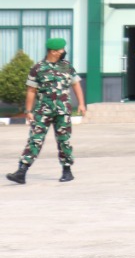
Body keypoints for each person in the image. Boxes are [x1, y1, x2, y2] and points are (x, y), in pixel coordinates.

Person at [7, 38, 86, 185]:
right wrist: (28, 110)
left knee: (64, 141)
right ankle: (21, 171)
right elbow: (31, 91)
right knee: (35, 140)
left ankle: (67, 171)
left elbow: (76, 85)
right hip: (43, 111)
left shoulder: (67, 66)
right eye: (61, 50)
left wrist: (81, 104)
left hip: (62, 111)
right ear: (54, 52)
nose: (63, 52)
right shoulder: (38, 68)